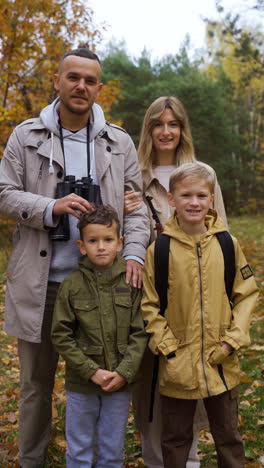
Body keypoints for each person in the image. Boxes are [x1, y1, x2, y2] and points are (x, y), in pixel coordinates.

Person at [0, 48, 149, 468]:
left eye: (90, 80)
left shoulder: (118, 142)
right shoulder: (24, 136)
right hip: (43, 284)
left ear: (99, 87)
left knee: (109, 382)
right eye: (73, 77)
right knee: (34, 386)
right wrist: (52, 208)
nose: (81, 86)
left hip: (108, 288)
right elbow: (3, 193)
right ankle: (32, 460)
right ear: (58, 81)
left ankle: (101, 458)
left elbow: (138, 212)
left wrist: (134, 253)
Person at [126, 96, 227, 468]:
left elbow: (222, 238)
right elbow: (111, 233)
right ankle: (156, 458)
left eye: (174, 124)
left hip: (197, 299)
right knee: (152, 385)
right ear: (148, 129)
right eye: (158, 124)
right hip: (150, 296)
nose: (166, 131)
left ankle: (192, 458)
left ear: (183, 129)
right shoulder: (132, 175)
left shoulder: (204, 174)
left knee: (195, 383)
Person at [141, 162, 259, 468]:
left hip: (221, 361)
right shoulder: (160, 249)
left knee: (228, 435)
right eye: (186, 195)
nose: (194, 202)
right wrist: (167, 347)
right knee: (176, 438)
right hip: (176, 361)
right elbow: (149, 305)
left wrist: (231, 342)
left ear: (211, 199)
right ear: (172, 199)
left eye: (201, 195)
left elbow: (246, 294)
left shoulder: (227, 245)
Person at [51, 205, 148, 467]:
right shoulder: (71, 285)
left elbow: (141, 333)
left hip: (119, 383)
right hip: (82, 384)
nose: (101, 247)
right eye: (93, 241)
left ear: (120, 243)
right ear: (82, 246)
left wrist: (124, 372)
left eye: (108, 240)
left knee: (112, 449)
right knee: (79, 450)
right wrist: (91, 371)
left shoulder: (132, 283)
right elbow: (61, 335)